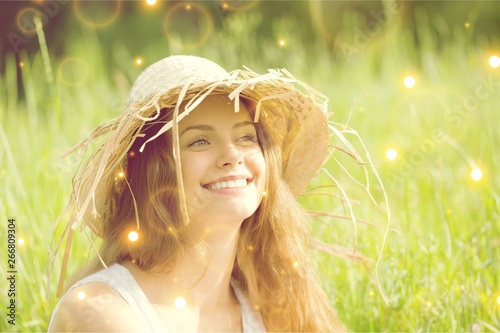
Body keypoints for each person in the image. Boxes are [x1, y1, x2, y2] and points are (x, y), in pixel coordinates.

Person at [48, 55, 350, 332]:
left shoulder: (277, 306)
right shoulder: (103, 311)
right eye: (200, 141)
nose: (232, 155)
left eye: (246, 136)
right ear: (153, 172)